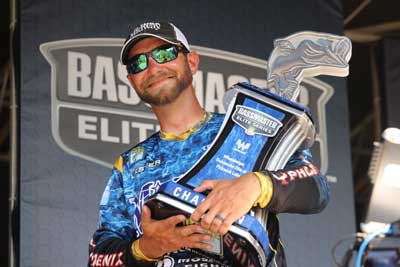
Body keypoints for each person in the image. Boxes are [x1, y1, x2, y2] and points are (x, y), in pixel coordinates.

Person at [88, 21, 330, 267]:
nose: (152, 66)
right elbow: (98, 257)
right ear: (132, 80)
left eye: (165, 53)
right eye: (138, 63)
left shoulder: (245, 131)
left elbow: (315, 186)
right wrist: (147, 248)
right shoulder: (129, 166)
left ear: (192, 62)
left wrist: (255, 185)